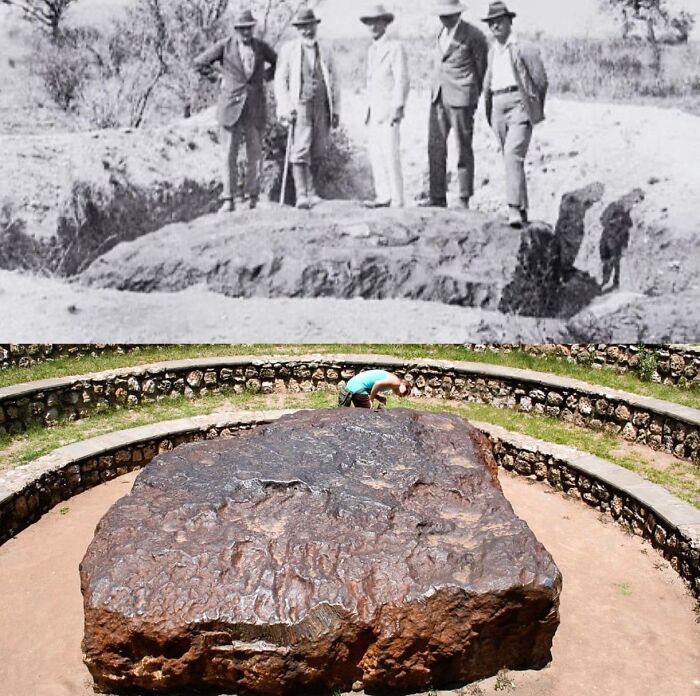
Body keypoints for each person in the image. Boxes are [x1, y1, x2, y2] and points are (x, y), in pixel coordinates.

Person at [194, 9, 277, 213]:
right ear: (236, 30)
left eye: (248, 28)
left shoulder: (261, 47)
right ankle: (228, 198)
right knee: (228, 154)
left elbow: (279, 62)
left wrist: (264, 78)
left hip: (255, 108)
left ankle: (253, 197)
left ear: (253, 28)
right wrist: (219, 79)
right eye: (241, 29)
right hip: (230, 107)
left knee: (255, 153)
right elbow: (199, 63)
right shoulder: (225, 46)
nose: (245, 32)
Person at [482, 1, 548, 228]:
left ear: (510, 21)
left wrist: (534, 107)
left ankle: (512, 208)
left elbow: (540, 80)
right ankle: (523, 209)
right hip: (497, 104)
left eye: (500, 21)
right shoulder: (493, 52)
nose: (495, 26)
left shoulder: (524, 47)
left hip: (519, 104)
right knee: (510, 158)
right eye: (491, 23)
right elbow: (488, 82)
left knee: (513, 154)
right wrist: (489, 109)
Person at [419, 0, 488, 210]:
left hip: (461, 99)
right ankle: (437, 196)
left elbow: (482, 69)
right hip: (438, 97)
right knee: (435, 146)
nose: (444, 18)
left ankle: (464, 197)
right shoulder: (440, 33)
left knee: (462, 148)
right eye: (441, 14)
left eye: (448, 14)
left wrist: (473, 97)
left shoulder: (474, 35)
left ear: (458, 13)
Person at [275, 7, 341, 210]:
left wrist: (336, 110)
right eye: (302, 28)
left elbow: (335, 81)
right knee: (300, 147)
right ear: (298, 29)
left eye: (310, 26)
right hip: (300, 104)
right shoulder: (290, 50)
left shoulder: (326, 50)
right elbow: (280, 80)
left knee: (319, 148)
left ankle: (313, 192)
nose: (307, 31)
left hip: (322, 105)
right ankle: (302, 194)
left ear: (315, 26)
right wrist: (285, 107)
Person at [360, 4, 410, 209]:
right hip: (374, 111)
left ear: (385, 24)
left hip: (389, 110)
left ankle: (398, 199)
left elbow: (402, 79)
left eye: (377, 22)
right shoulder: (371, 50)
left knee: (391, 155)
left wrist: (398, 106)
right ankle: (384, 195)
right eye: (369, 22)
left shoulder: (395, 47)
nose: (373, 26)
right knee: (377, 155)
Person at [338, 370, 409, 409]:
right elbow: (377, 384)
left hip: (351, 385)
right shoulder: (397, 383)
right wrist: (371, 400)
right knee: (367, 413)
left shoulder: (393, 378)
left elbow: (370, 386)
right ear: (403, 385)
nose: (399, 395)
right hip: (357, 388)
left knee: (361, 413)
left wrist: (378, 397)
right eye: (401, 394)